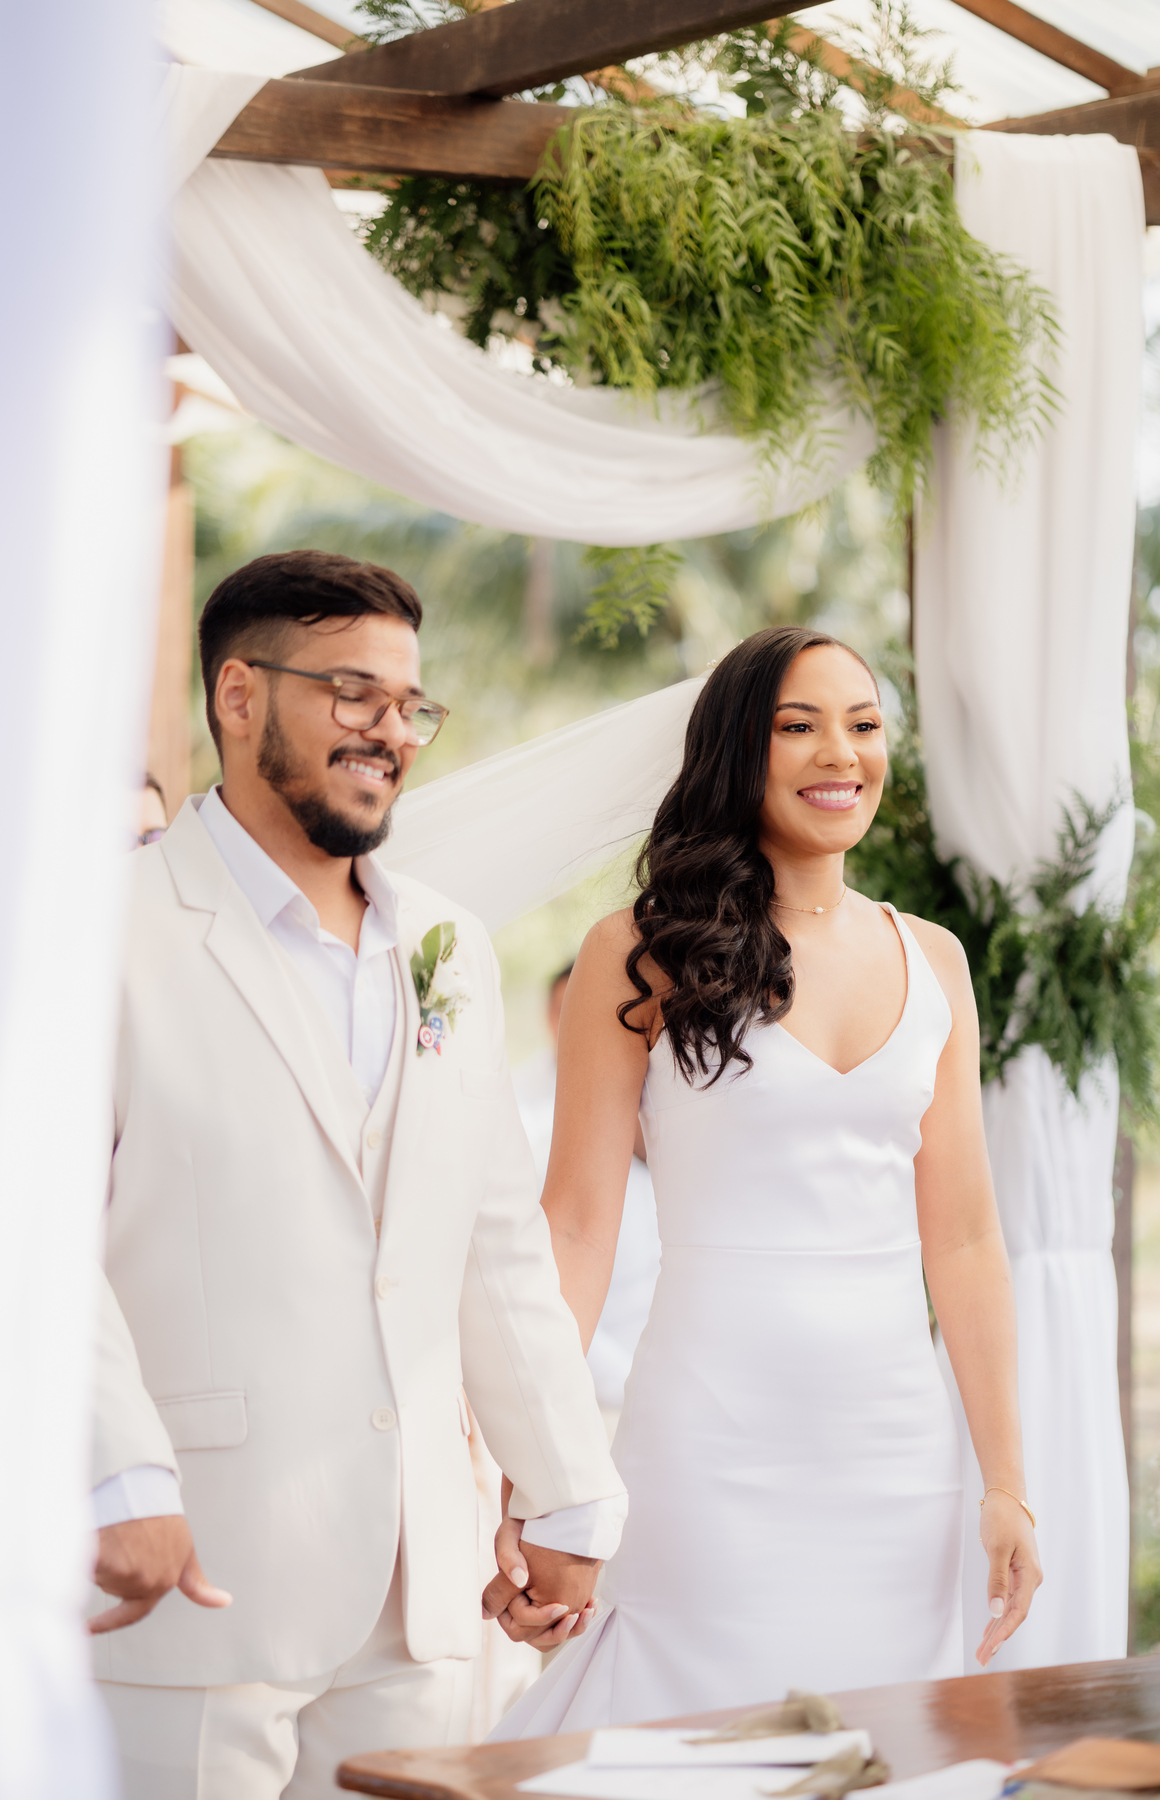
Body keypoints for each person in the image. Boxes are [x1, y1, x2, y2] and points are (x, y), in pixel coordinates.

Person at [89, 550, 625, 1798]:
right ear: (238, 696)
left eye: (409, 704)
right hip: (196, 1575)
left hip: (419, 1590)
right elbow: (22, 1237)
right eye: (352, 694)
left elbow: (494, 1247)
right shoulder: (105, 930)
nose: (391, 729)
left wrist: (566, 1498)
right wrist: (118, 1475)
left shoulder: (449, 944)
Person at [490, 625, 1042, 1736]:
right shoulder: (637, 952)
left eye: (864, 724)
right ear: (739, 749)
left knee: (880, 1746)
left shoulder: (935, 959)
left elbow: (967, 1242)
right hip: (706, 1442)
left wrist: (1006, 1484)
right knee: (683, 1737)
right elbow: (579, 1228)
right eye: (800, 726)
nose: (842, 753)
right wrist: (536, 1472)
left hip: (897, 1456)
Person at [514, 965, 661, 1437]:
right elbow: (560, 1257)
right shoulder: (524, 1108)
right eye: (562, 1011)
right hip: (593, 1378)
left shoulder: (653, 1096)